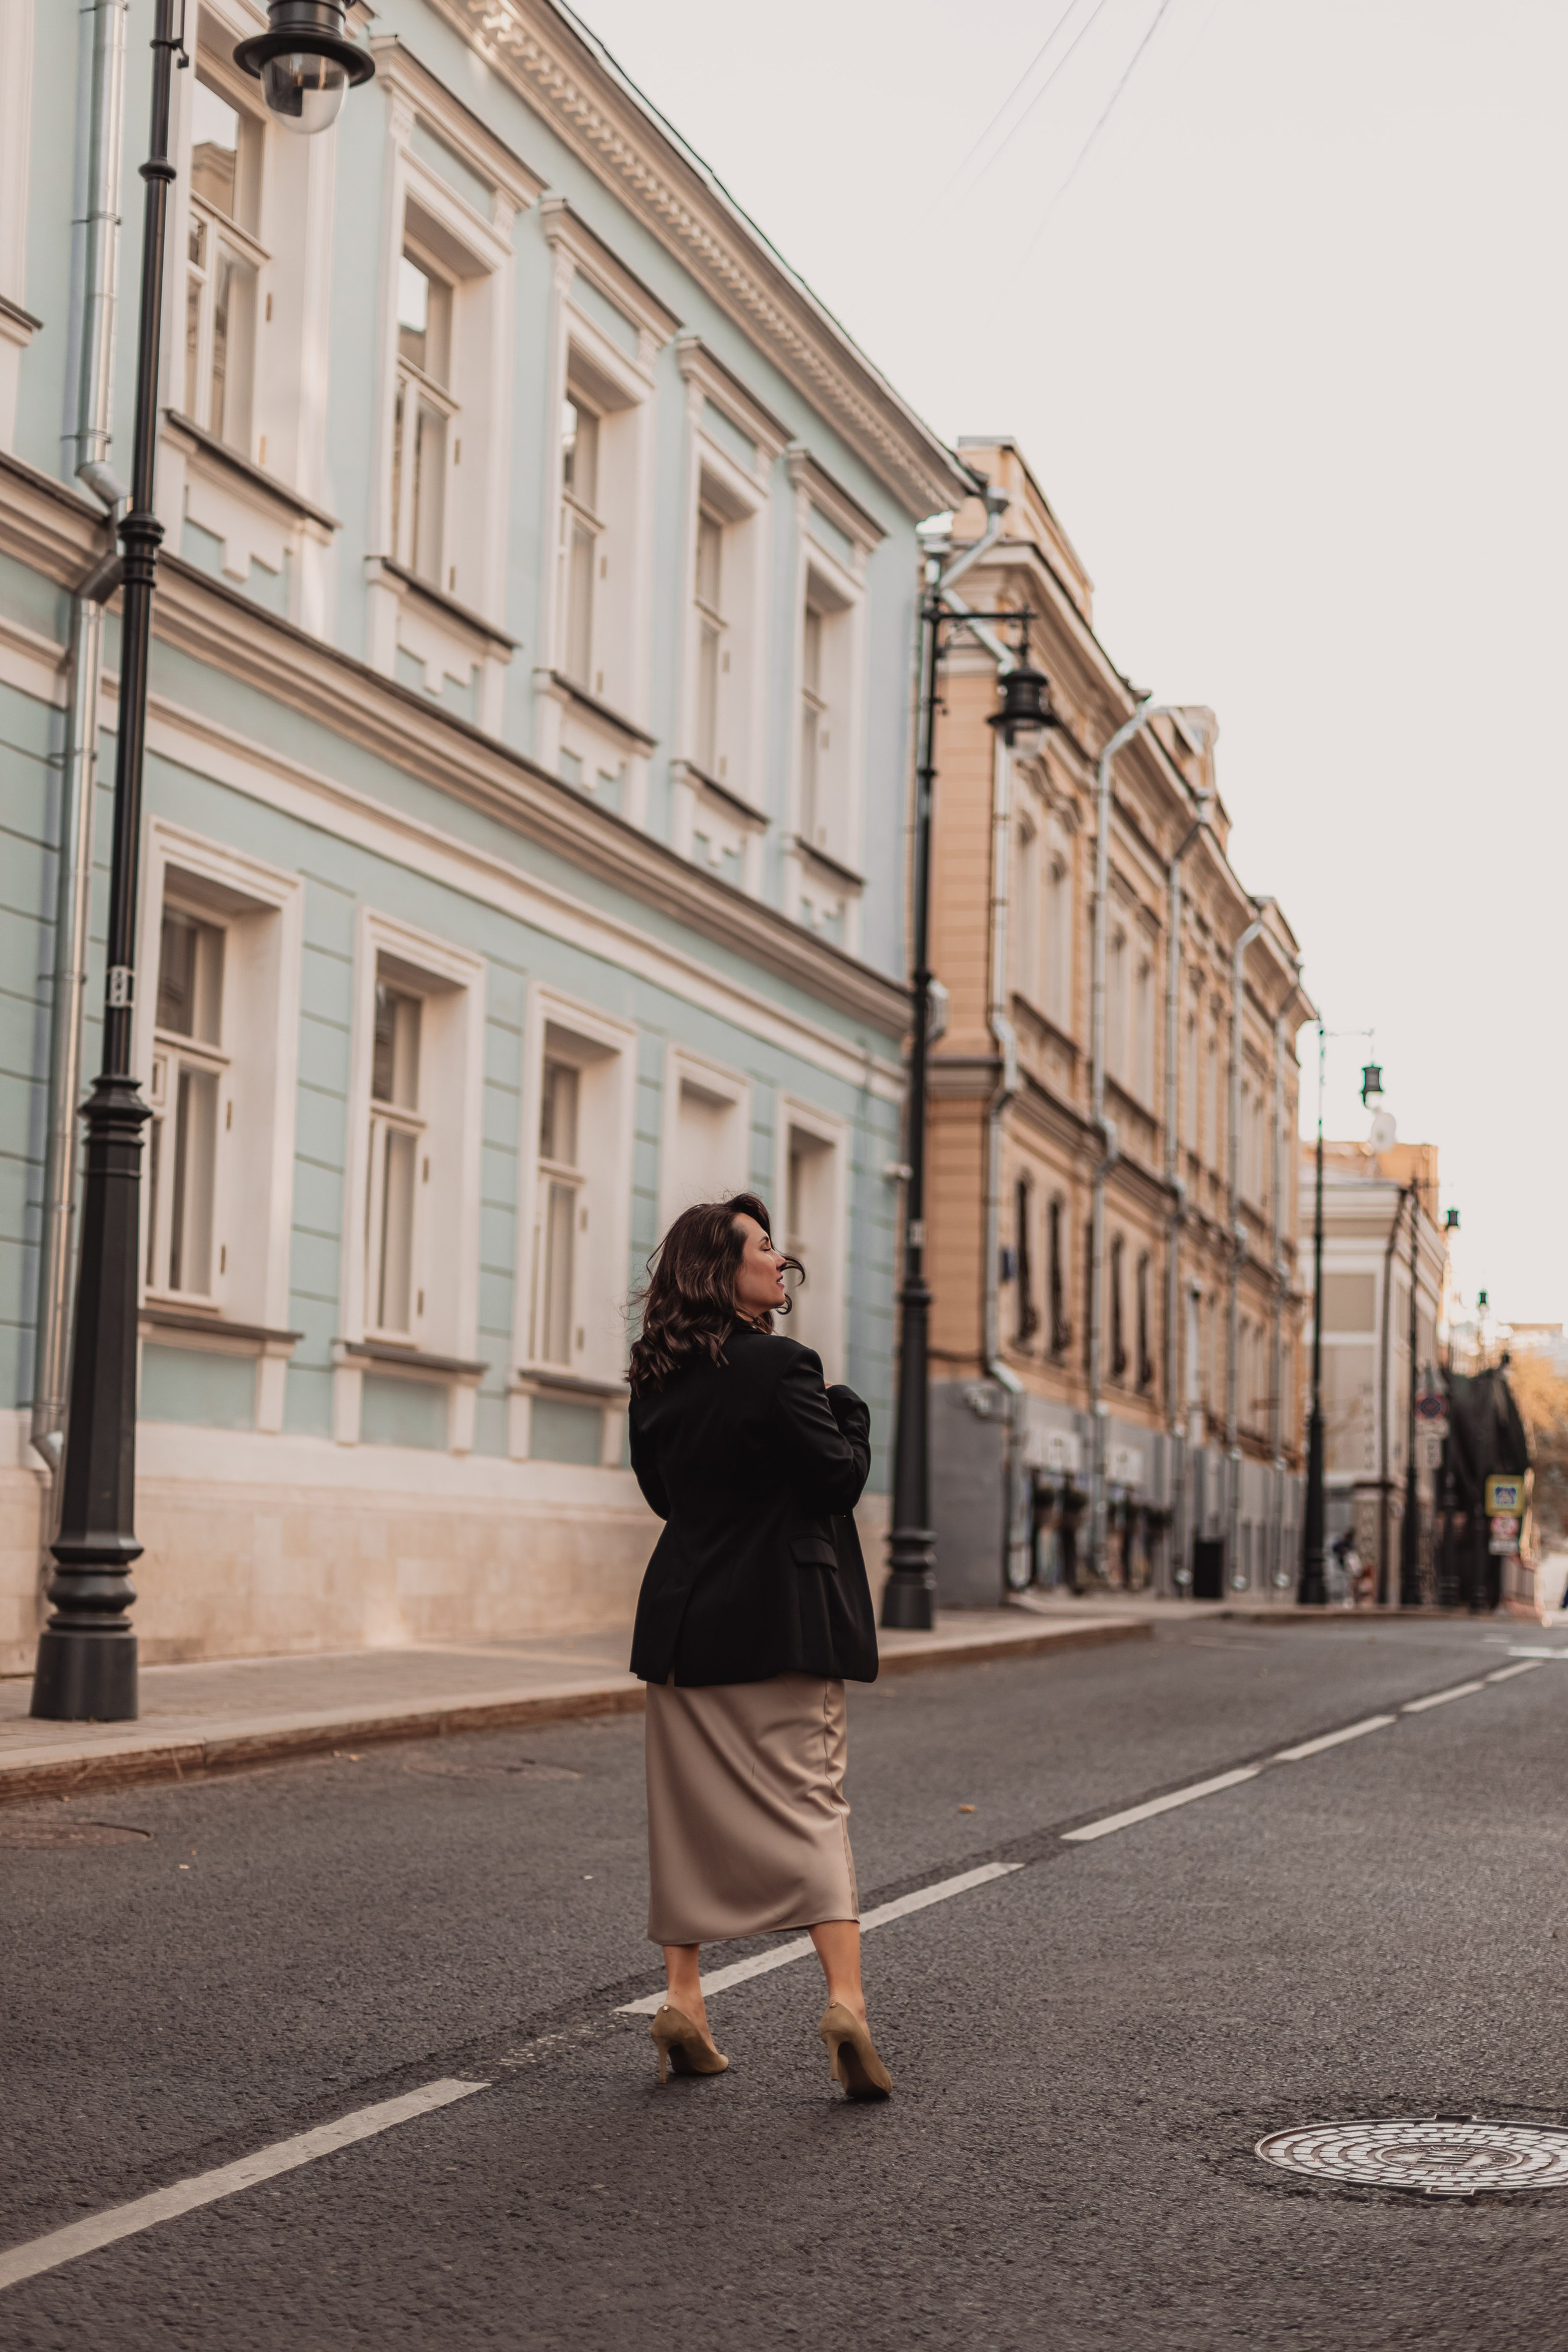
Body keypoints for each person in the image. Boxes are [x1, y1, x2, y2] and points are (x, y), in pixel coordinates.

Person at [626, 1193, 891, 2100]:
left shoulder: (655, 1376)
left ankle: (683, 2003)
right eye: (765, 1247)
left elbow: (664, 1498)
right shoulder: (786, 1365)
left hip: (683, 1621)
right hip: (784, 1620)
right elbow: (837, 1478)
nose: (781, 1260)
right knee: (812, 1804)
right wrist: (849, 1412)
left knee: (685, 1819)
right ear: (723, 1270)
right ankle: (846, 2004)